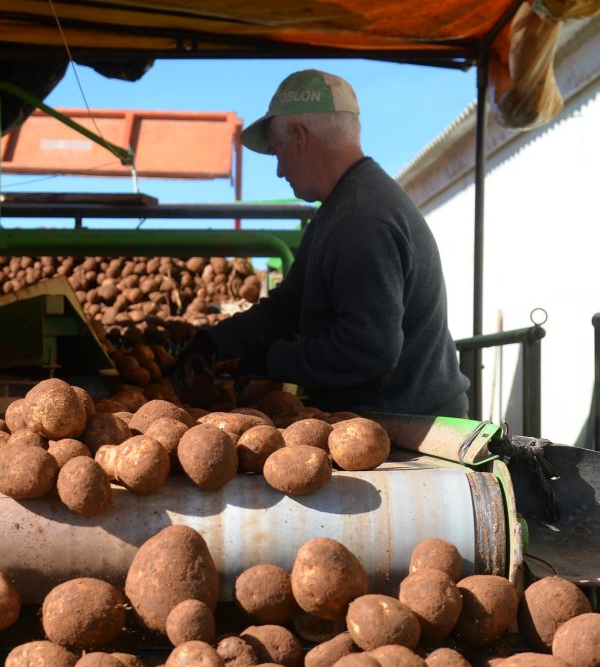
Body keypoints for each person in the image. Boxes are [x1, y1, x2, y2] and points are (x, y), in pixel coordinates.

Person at [176, 69, 470, 417]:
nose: (279, 171)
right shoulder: (339, 209)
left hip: (410, 430)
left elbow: (368, 348)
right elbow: (289, 308)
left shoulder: (362, 218)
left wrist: (273, 359)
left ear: (299, 136)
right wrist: (217, 341)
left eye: (276, 151)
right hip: (384, 418)